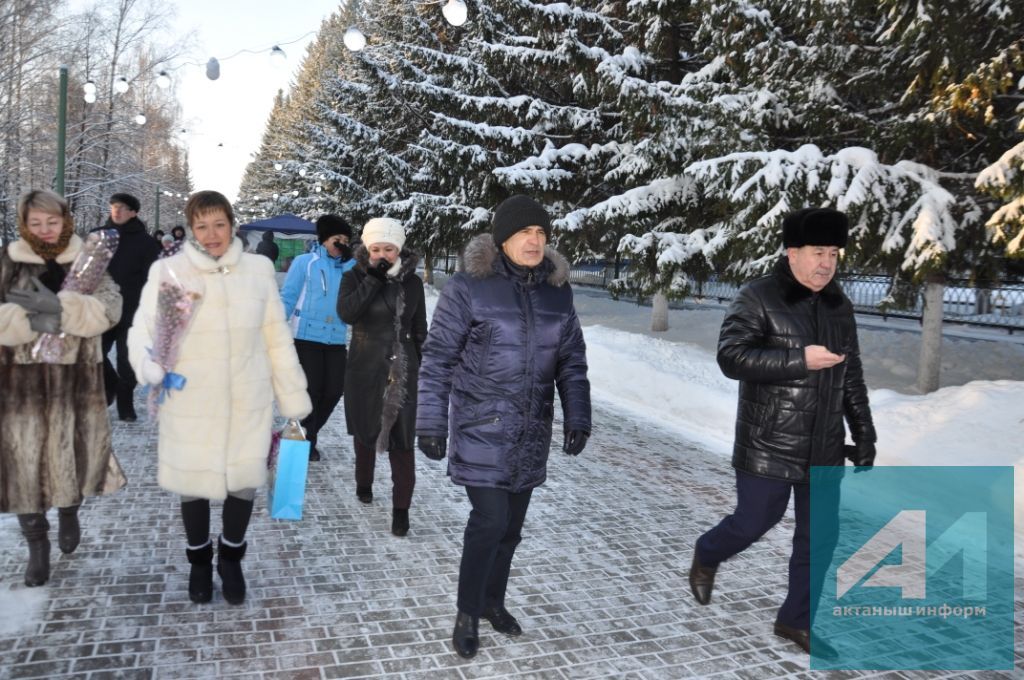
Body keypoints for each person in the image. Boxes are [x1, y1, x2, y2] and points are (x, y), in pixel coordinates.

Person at [688, 207, 876, 658]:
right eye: (818, 252)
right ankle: (708, 552)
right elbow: (731, 357)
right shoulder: (758, 297)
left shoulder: (838, 305)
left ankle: (795, 621)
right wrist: (799, 361)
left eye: (833, 253)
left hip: (825, 445)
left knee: (820, 538)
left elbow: (851, 375)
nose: (826, 262)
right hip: (768, 441)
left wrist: (864, 431)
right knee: (755, 521)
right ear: (792, 253)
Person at [416, 195, 591, 659]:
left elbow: (571, 360)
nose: (534, 241)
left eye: (541, 233)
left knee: (511, 528)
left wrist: (578, 415)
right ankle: (467, 613)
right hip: (482, 425)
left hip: (531, 430)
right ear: (503, 239)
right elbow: (437, 358)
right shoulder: (468, 287)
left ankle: (494, 602)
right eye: (524, 233)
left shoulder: (558, 291)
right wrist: (431, 422)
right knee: (489, 521)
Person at [127, 190, 311, 605]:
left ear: (232, 224)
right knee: (192, 486)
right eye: (201, 226)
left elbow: (276, 340)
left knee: (243, 485)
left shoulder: (257, 270)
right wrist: (149, 364)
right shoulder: (171, 272)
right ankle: (197, 562)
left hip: (249, 398)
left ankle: (231, 560)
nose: (211, 235)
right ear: (190, 229)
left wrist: (293, 398)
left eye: (219, 224)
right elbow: (143, 330)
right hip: (191, 400)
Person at [0, 189, 127, 587]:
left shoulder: (86, 259)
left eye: (51, 222)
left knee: (73, 457)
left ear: (65, 220)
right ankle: (37, 544)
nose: (45, 230)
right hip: (21, 385)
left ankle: (70, 509)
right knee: (23, 466)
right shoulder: (8, 259)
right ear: (25, 224)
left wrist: (67, 310)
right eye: (35, 223)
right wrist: (28, 318)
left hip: (75, 383)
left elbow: (112, 306)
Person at [337, 218, 426, 537]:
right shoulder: (353, 277)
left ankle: (401, 510)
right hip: (364, 364)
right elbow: (347, 313)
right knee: (365, 430)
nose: (383, 255)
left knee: (403, 440)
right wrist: (372, 279)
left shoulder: (413, 283)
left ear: (399, 249)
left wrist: (423, 366)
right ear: (367, 249)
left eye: (389, 248)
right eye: (376, 249)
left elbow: (419, 330)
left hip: (403, 368)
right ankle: (364, 482)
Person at [280, 215, 357, 461]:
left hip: (335, 338)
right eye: (338, 238)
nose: (342, 243)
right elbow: (289, 296)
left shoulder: (351, 266)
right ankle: (306, 441)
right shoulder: (306, 262)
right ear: (324, 239)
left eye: (346, 239)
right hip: (306, 337)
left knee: (334, 391)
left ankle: (305, 432)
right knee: (311, 392)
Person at [95, 192, 162, 421]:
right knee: (92, 354)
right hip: (100, 310)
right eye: (114, 206)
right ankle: (109, 383)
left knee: (127, 360)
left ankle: (125, 402)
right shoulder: (97, 236)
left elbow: (153, 279)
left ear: (134, 212)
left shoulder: (145, 242)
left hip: (131, 312)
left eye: (123, 207)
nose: (117, 211)